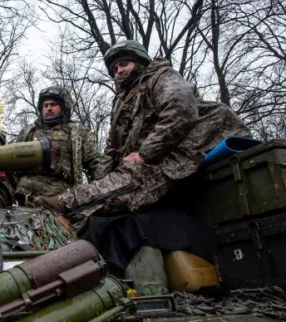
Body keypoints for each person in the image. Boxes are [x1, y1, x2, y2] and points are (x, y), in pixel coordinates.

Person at [34, 40, 250, 231]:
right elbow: (111, 149)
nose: (118, 70)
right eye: (115, 68)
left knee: (126, 184)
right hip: (147, 163)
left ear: (139, 62)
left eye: (124, 64)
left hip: (181, 152)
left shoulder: (161, 77)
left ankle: (63, 202)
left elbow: (181, 108)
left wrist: (146, 153)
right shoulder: (122, 100)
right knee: (102, 201)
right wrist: (99, 182)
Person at [14, 86, 101, 203]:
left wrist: (101, 189)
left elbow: (95, 162)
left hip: (61, 196)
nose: (49, 108)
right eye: (45, 105)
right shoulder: (28, 132)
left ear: (64, 107)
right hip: (24, 192)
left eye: (53, 104)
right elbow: (13, 162)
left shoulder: (77, 132)